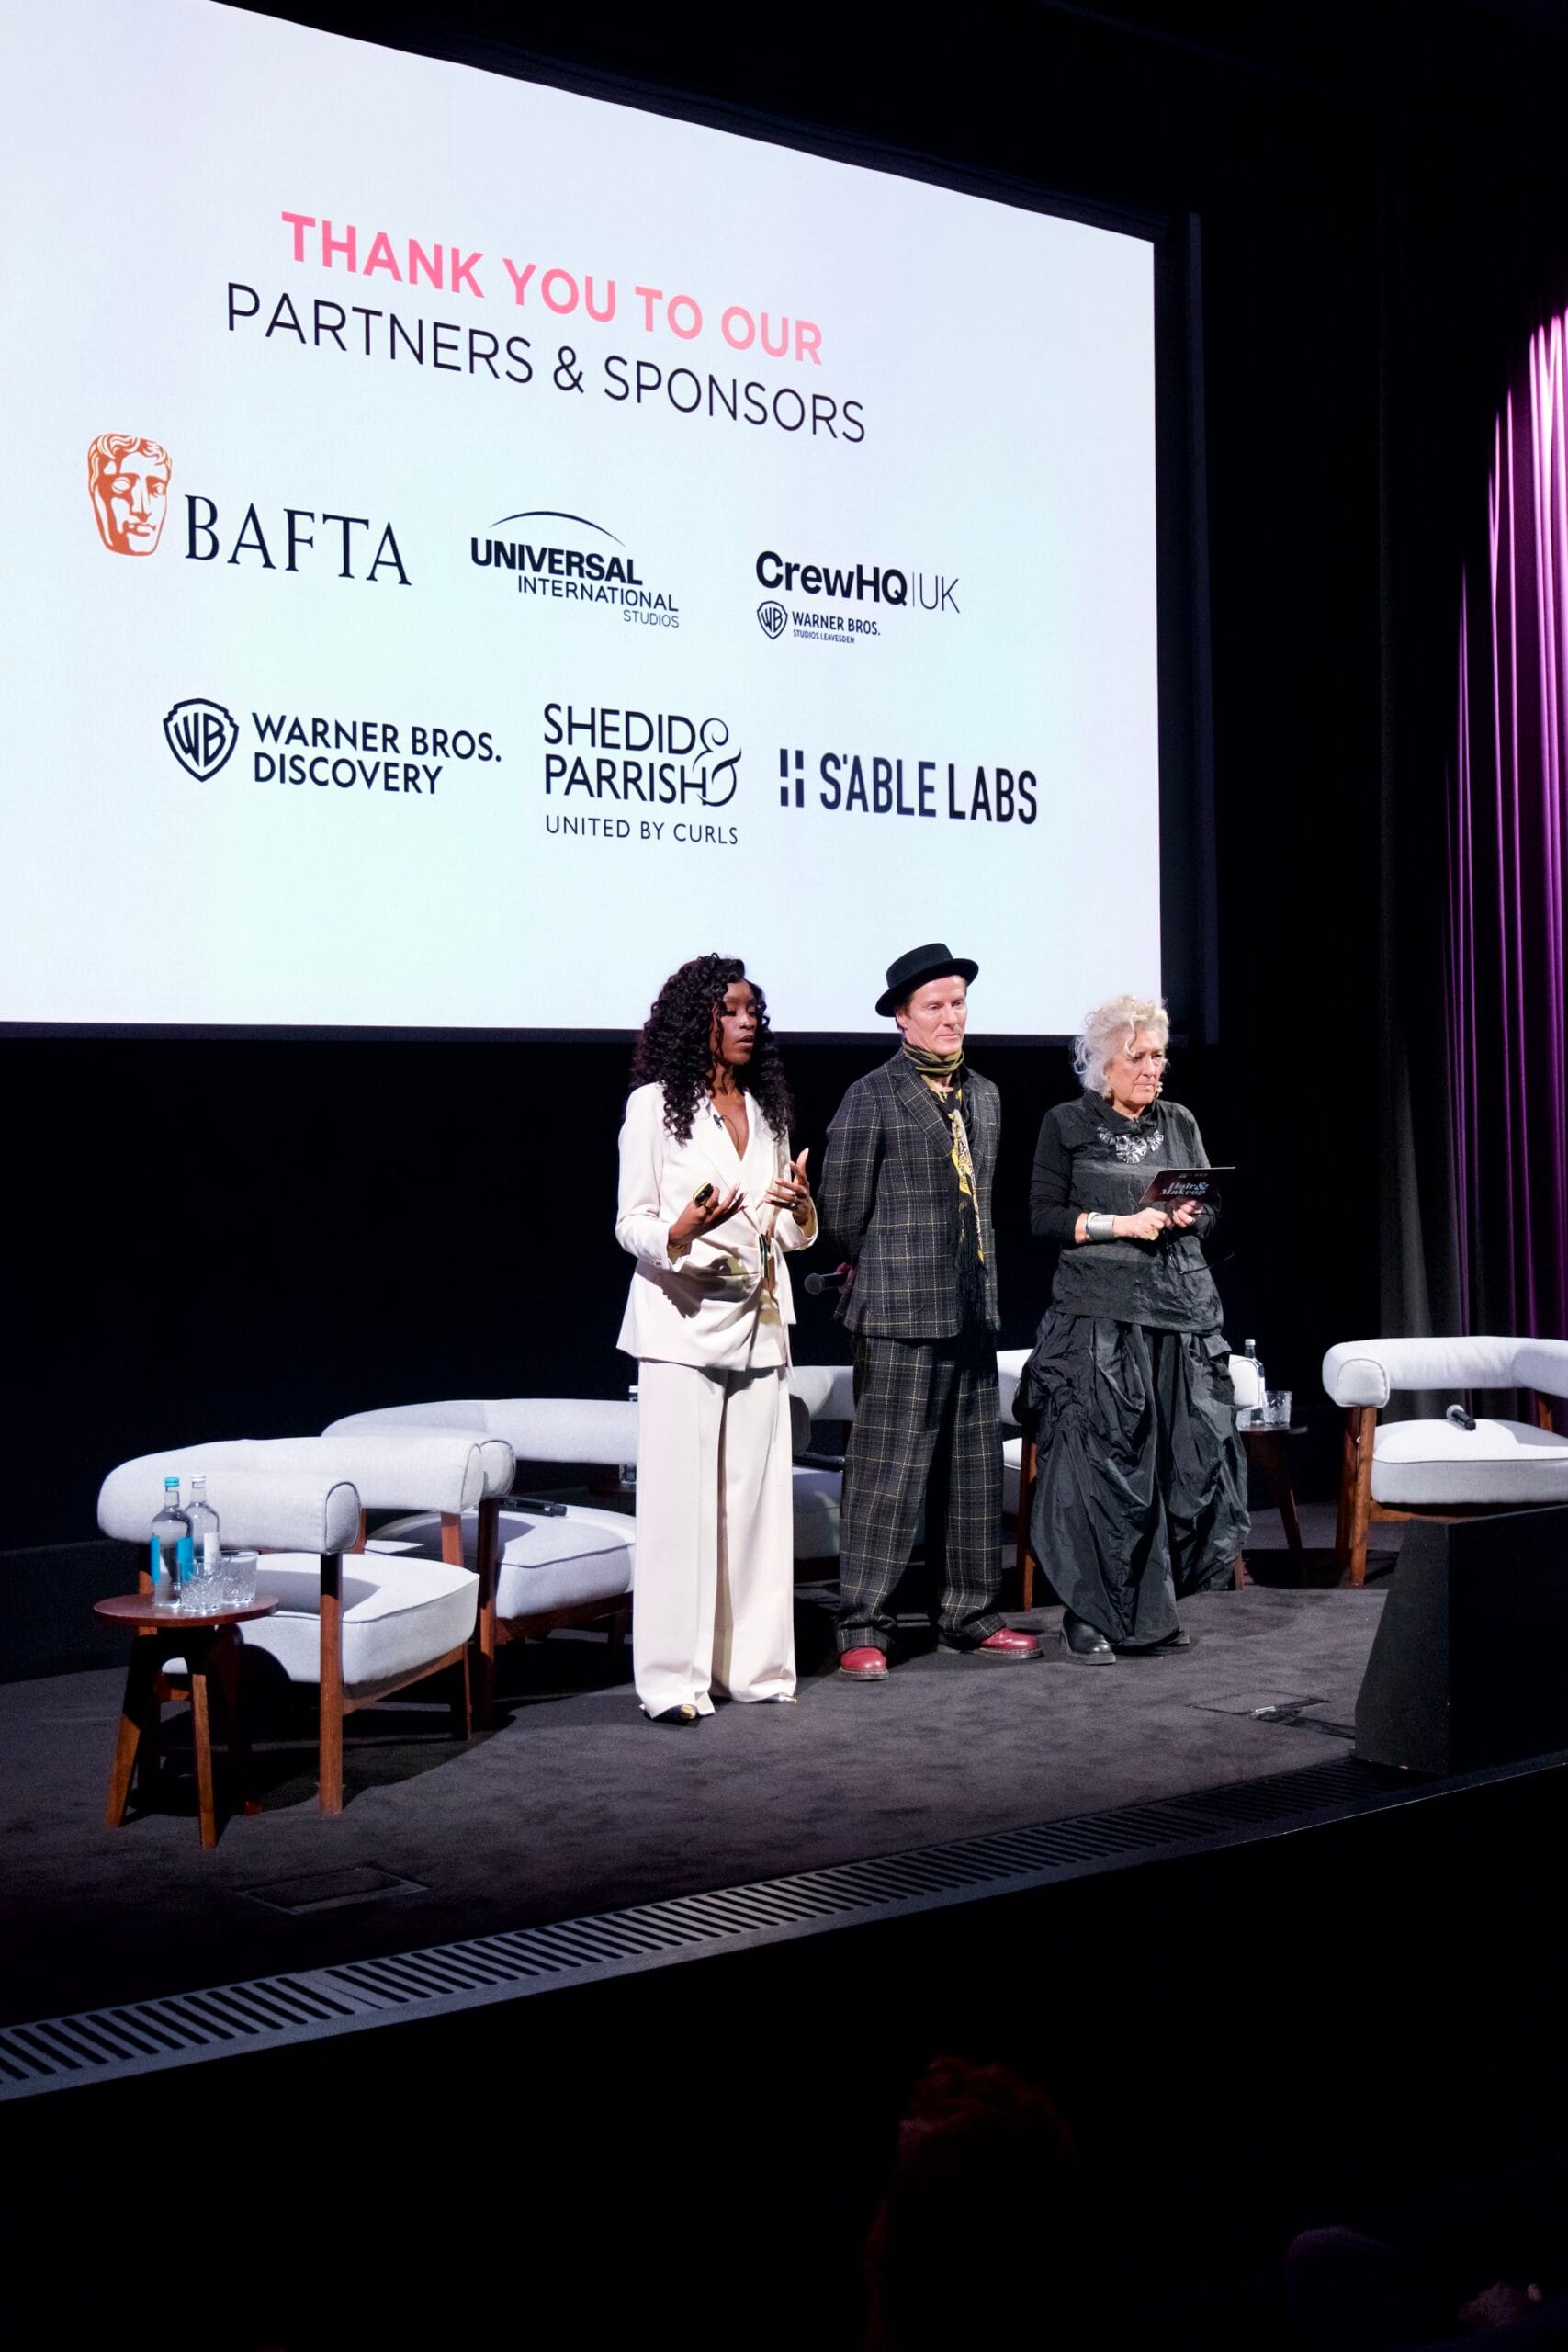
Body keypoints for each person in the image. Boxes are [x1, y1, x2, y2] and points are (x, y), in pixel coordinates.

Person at [817, 942, 1042, 1678]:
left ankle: (968, 1614)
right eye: (935, 1006)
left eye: (957, 1003)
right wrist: (886, 1262)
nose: (951, 1017)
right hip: (897, 1310)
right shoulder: (872, 1094)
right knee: (885, 1476)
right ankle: (863, 1624)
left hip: (970, 1307)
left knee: (971, 1474)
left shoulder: (984, 1095)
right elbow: (840, 1214)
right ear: (902, 1018)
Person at [615, 953, 816, 1724]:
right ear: (692, 1020)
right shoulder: (652, 1108)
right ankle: (673, 1681)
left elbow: (784, 1232)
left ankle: (756, 1670)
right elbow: (630, 1222)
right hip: (682, 1321)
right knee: (681, 1512)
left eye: (751, 1010)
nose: (745, 1022)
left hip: (760, 1319)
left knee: (758, 1508)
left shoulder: (767, 1113)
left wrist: (800, 1209)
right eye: (728, 1010)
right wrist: (679, 1230)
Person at [1021, 993, 1249, 1659]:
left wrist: (1190, 1215)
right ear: (1103, 1065)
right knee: (1101, 1467)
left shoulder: (1178, 1121)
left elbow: (1209, 1209)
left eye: (1158, 1056)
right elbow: (1041, 1215)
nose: (1153, 1069)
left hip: (1179, 1311)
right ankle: (1088, 1615)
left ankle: (1151, 1614)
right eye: (1138, 1057)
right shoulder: (1066, 1123)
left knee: (1180, 1461)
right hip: (1098, 1315)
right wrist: (1118, 1224)